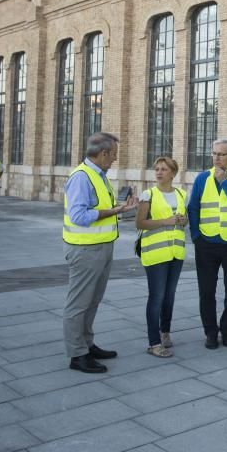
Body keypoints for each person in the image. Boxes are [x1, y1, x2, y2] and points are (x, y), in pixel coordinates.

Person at [62, 132, 137, 373]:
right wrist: (114, 212)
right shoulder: (82, 178)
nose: (115, 159)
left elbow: (100, 208)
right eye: (114, 154)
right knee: (79, 303)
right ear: (103, 153)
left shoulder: (99, 176)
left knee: (92, 301)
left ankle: (87, 344)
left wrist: (120, 208)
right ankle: (77, 354)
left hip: (102, 247)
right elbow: (79, 216)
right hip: (85, 250)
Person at [187, 139, 227, 349]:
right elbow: (193, 208)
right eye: (214, 153)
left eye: (221, 154)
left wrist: (225, 181)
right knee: (206, 290)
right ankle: (210, 332)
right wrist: (196, 236)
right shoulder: (202, 178)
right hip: (206, 243)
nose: (216, 158)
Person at [135, 156, 188, 358]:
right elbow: (139, 223)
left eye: (164, 169)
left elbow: (184, 222)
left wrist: (182, 221)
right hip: (156, 253)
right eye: (156, 169)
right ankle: (154, 342)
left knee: (169, 295)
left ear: (173, 173)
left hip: (176, 252)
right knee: (156, 296)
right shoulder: (148, 194)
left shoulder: (182, 194)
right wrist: (166, 221)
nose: (159, 172)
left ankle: (165, 333)